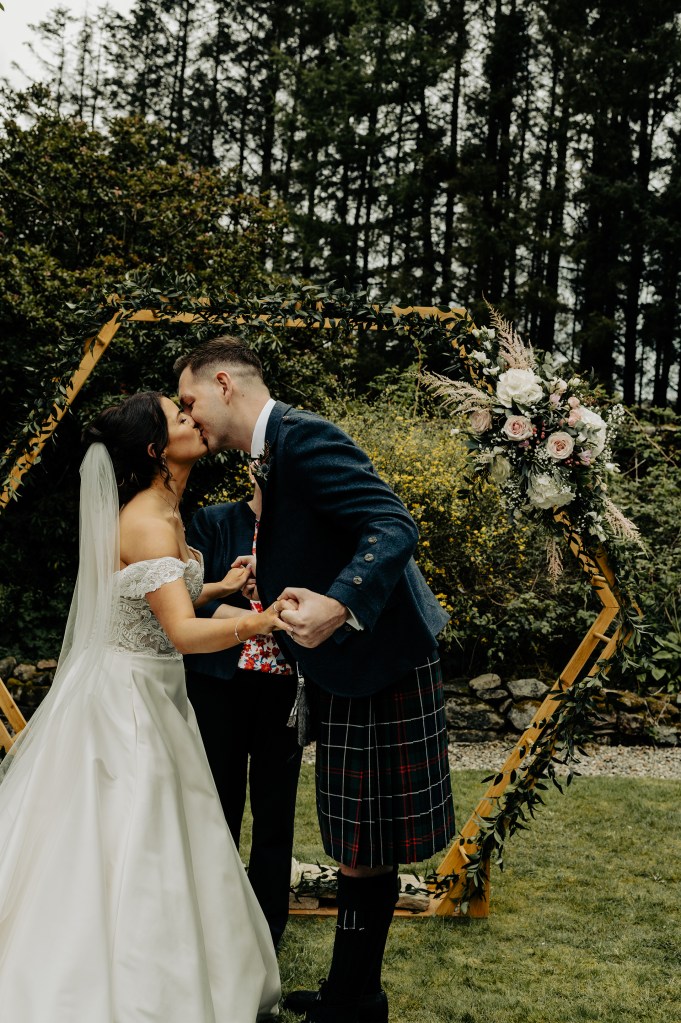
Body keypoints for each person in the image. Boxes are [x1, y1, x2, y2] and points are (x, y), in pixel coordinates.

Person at [175, 339, 456, 1023]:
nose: (188, 416)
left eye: (189, 401)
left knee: (366, 840)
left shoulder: (302, 438)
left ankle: (354, 1003)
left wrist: (339, 602)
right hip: (351, 664)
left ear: (223, 384)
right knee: (359, 840)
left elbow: (392, 523)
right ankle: (351, 996)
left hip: (380, 657)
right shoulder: (270, 454)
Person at [0, 390, 286, 1022]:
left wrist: (218, 587)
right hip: (127, 700)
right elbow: (181, 633)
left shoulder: (165, 510)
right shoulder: (150, 521)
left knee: (170, 824)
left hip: (153, 687)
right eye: (180, 416)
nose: (195, 418)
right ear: (158, 450)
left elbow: (151, 597)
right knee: (133, 827)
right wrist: (260, 621)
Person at [184, 479, 302, 948]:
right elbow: (187, 600)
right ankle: (215, 917)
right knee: (218, 802)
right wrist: (249, 607)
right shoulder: (212, 521)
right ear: (252, 466)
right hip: (218, 682)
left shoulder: (304, 527)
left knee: (276, 809)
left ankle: (268, 927)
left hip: (284, 683)